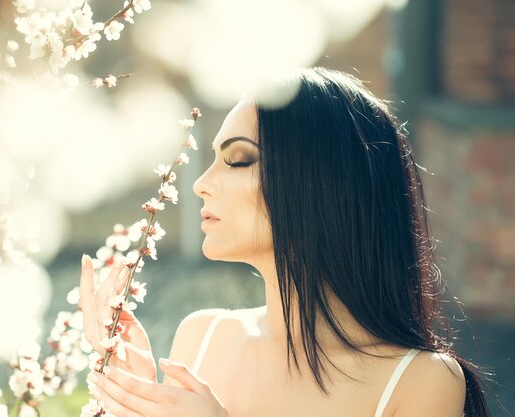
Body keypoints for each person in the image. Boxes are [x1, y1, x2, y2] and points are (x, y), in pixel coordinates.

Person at [78, 67, 491, 417]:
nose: (202, 184)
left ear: (320, 183)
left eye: (237, 159)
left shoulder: (421, 381)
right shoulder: (202, 336)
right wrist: (134, 391)